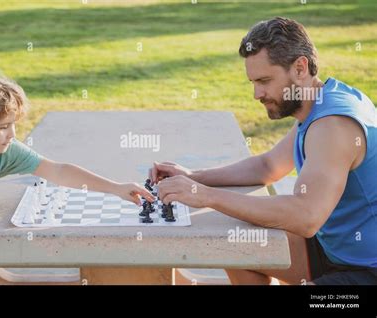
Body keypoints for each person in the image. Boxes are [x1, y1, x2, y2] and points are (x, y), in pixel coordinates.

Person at [151, 17, 376, 285]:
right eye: (253, 82)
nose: (257, 94)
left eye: (265, 80)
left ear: (300, 67)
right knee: (235, 246)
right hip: (332, 249)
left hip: (367, 270)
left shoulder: (333, 125)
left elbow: (306, 217)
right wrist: (194, 176)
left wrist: (208, 196)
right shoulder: (318, 103)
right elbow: (268, 167)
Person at [0, 73, 154, 285]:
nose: (12, 134)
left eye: (13, 125)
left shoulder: (0, 147)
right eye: (3, 127)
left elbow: (58, 171)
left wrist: (116, 188)